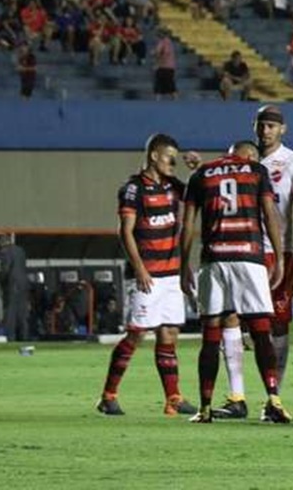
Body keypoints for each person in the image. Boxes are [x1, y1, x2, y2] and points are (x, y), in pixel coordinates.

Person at [213, 106, 293, 419]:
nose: (266, 131)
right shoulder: (238, 160)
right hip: (238, 250)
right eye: (261, 125)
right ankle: (236, 396)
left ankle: (275, 398)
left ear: (282, 129)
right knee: (229, 317)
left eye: (272, 125)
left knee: (277, 324)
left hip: (275, 254)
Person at [181, 141, 291, 424]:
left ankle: (205, 408)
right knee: (261, 331)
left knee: (211, 333)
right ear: (249, 155)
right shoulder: (256, 170)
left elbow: (188, 225)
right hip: (249, 256)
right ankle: (273, 401)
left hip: (214, 259)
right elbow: (269, 215)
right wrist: (278, 258)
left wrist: (183, 265)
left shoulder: (202, 173)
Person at [96, 134, 198, 417]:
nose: (173, 164)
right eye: (170, 158)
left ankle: (173, 398)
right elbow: (124, 230)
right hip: (147, 275)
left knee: (169, 334)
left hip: (171, 273)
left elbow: (200, 193)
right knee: (137, 334)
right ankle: (108, 395)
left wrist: (195, 169)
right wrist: (139, 267)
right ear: (154, 155)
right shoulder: (133, 189)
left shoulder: (174, 186)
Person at [0, 232, 30, 341]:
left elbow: (5, 269)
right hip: (24, 284)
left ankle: (10, 337)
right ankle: (24, 337)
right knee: (22, 313)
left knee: (10, 312)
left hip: (12, 284)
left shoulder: (4, 252)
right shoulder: (20, 250)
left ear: (0, 242)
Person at [152, 29, 177, 100]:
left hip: (164, 65)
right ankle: (174, 97)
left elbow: (164, 54)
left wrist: (157, 63)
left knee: (160, 82)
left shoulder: (163, 42)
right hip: (170, 66)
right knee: (170, 82)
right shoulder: (169, 42)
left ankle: (158, 98)